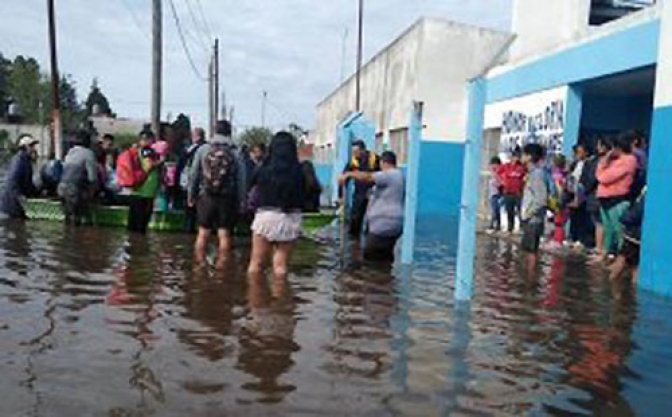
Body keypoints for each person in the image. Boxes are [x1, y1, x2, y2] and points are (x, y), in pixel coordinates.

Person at [189, 120, 247, 266]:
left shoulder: (203, 149)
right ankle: (222, 270)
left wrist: (191, 196)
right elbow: (242, 180)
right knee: (224, 234)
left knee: (202, 233)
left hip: (206, 196)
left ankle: (198, 268)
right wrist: (242, 201)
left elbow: (194, 174)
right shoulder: (235, 152)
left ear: (214, 131)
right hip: (227, 198)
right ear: (230, 132)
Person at [248, 132, 305, 278]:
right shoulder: (299, 171)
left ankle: (254, 299)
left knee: (256, 264)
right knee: (280, 266)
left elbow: (250, 184)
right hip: (290, 218)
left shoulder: (263, 168)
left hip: (266, 216)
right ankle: (281, 299)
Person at [340, 151, 405, 262]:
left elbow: (369, 177)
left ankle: (373, 278)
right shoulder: (396, 177)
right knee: (384, 260)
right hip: (389, 224)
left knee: (370, 260)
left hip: (383, 225)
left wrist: (348, 174)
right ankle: (385, 278)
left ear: (383, 163)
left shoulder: (391, 174)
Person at [596, 133, 638, 262]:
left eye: (614, 148)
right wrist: (606, 159)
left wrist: (604, 166)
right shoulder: (614, 160)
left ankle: (622, 259)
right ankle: (605, 255)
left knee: (619, 232)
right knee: (608, 230)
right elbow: (598, 173)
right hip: (605, 199)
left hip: (617, 200)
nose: (612, 150)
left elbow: (603, 178)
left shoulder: (629, 160)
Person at [57, 129, 98, 225]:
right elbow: (92, 178)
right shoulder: (88, 153)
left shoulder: (70, 152)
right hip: (74, 190)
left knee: (67, 219)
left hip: (61, 188)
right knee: (77, 220)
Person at [342, 140, 380, 237]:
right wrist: (341, 195)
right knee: (355, 219)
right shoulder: (352, 161)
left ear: (363, 150)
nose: (354, 154)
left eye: (356, 151)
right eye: (353, 152)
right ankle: (353, 243)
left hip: (373, 194)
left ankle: (369, 241)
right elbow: (344, 178)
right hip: (359, 194)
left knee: (371, 220)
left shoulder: (375, 159)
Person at [126, 130, 161, 234]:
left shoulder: (135, 151)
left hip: (136, 189)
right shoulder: (147, 151)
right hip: (146, 190)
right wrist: (161, 161)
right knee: (141, 225)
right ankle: (140, 247)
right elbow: (148, 166)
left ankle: (132, 245)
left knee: (133, 224)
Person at [610, 186, 646, 284]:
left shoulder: (648, 191)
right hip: (644, 236)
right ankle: (634, 294)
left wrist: (623, 218)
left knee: (621, 260)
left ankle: (611, 289)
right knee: (636, 266)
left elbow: (636, 213)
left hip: (634, 235)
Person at [520, 143, 548, 266]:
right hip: (530, 219)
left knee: (531, 253)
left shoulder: (537, 174)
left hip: (533, 220)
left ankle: (531, 281)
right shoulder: (532, 174)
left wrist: (528, 213)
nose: (521, 157)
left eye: (524, 154)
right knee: (527, 251)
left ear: (529, 156)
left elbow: (541, 199)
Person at [0, 135, 39, 219]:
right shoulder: (19, 161)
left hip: (17, 203)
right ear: (25, 147)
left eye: (34, 146)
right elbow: (12, 181)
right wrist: (19, 196)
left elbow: (27, 183)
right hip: (10, 205)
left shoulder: (26, 160)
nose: (34, 148)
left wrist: (37, 192)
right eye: (31, 146)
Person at [178, 127, 207, 233]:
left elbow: (186, 164)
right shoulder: (206, 148)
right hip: (202, 185)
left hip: (192, 182)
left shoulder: (194, 149)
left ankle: (189, 233)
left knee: (190, 211)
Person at [568, 143, 592, 248]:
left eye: (579, 152)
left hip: (582, 195)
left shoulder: (588, 164)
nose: (577, 154)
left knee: (582, 218)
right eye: (576, 152)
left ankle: (581, 240)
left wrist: (580, 196)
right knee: (574, 217)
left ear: (586, 152)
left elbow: (585, 181)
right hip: (573, 193)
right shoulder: (575, 164)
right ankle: (574, 238)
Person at [498, 147, 526, 233]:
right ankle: (510, 227)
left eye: (518, 156)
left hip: (518, 192)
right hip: (507, 192)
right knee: (509, 211)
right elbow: (497, 172)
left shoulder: (521, 167)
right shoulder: (506, 166)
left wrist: (523, 184)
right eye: (515, 156)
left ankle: (522, 227)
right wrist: (501, 181)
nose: (516, 158)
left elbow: (527, 176)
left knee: (520, 210)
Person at [486, 156, 503, 234]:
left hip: (497, 194)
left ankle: (492, 225)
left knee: (495, 210)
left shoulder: (499, 173)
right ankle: (497, 225)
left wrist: (497, 183)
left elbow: (501, 183)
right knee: (496, 210)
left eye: (494, 165)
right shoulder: (492, 173)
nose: (492, 166)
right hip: (492, 194)